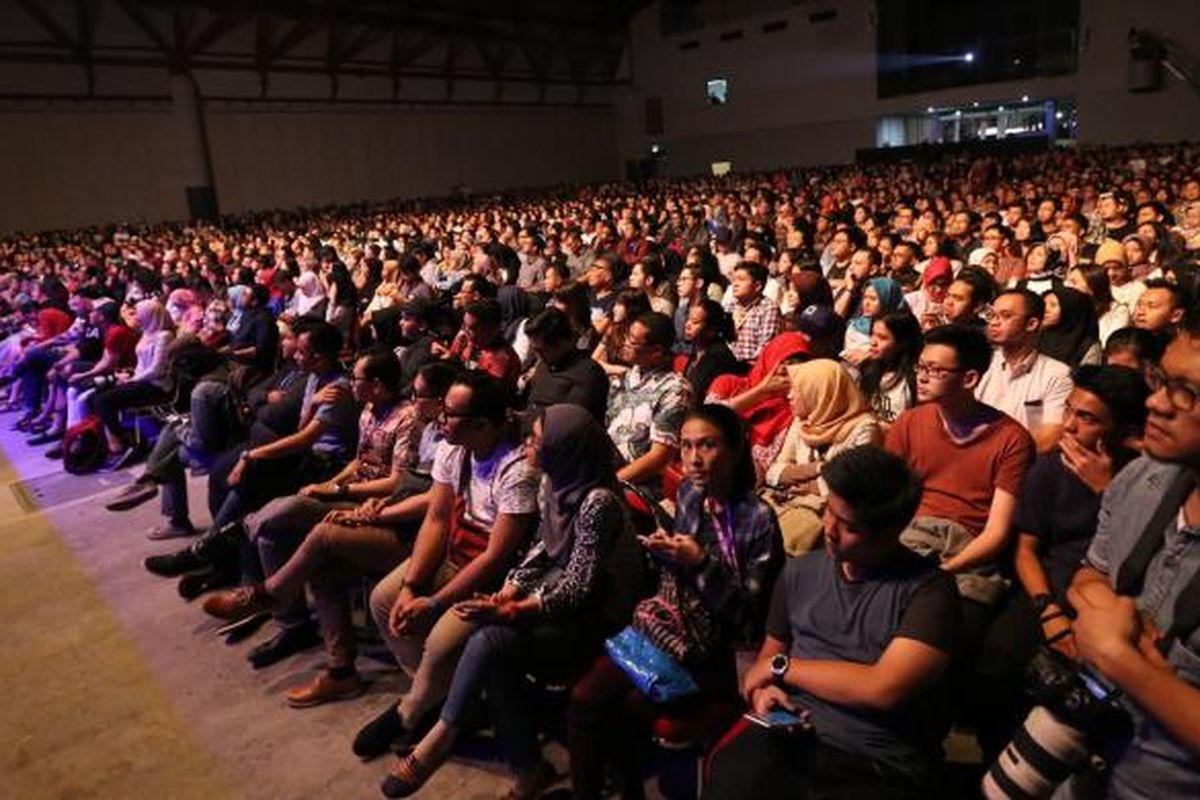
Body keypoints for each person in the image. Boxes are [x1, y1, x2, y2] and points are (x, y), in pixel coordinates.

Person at [380, 405, 639, 799]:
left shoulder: (596, 502)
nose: (528, 444)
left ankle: (442, 734)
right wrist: (512, 589)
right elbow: (540, 551)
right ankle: (524, 768)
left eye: (537, 439)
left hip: (603, 617)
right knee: (494, 652)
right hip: (561, 598)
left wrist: (517, 609)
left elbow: (578, 586)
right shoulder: (553, 481)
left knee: (491, 639)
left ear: (562, 447)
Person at [705, 445, 959, 799]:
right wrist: (764, 692)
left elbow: (882, 688)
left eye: (848, 525)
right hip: (792, 732)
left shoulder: (930, 592)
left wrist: (783, 669)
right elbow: (760, 669)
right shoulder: (800, 572)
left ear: (889, 532)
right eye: (828, 512)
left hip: (874, 758)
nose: (829, 529)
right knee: (730, 779)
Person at [569, 404, 782, 800]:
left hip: (717, 651)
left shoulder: (758, 519)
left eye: (708, 446)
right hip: (672, 628)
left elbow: (749, 619)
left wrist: (700, 563)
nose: (693, 459)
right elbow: (677, 580)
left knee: (625, 710)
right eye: (685, 447)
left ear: (735, 450)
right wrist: (663, 552)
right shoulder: (688, 494)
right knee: (583, 699)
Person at [353, 370, 540, 760]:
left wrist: (435, 603)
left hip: (492, 577)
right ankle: (438, 701)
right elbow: (437, 519)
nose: (440, 417)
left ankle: (416, 708)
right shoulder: (453, 448)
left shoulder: (517, 470)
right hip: (455, 556)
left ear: (482, 424)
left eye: (450, 412)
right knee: (385, 600)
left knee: (439, 640)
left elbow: (496, 556)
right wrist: (411, 586)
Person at [1064, 307, 1200, 798]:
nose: (1157, 404)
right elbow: (1088, 575)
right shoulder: (1143, 476)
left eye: (1187, 392)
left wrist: (1124, 662)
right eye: (1160, 381)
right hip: (1083, 759)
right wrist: (1111, 614)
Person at [886, 324, 1035, 644]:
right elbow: (887, 496)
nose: (922, 377)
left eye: (935, 370)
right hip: (911, 537)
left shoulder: (1012, 439)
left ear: (969, 378)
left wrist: (945, 570)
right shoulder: (910, 422)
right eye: (920, 367)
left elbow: (996, 533)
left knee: (941, 632)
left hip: (968, 550)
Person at [605, 311, 693, 498]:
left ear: (657, 351)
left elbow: (658, 458)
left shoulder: (675, 389)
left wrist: (610, 484)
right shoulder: (624, 378)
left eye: (634, 342)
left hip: (640, 483)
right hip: (608, 466)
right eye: (628, 337)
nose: (625, 345)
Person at [976, 288, 1074, 446]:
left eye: (1006, 316)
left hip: (1025, 462)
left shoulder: (1057, 374)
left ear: (1032, 324)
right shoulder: (981, 363)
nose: (994, 322)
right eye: (992, 315)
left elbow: (1051, 434)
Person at [523, 306, 609, 422]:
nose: (538, 356)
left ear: (563, 343)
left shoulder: (588, 375)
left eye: (541, 351)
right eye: (534, 350)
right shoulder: (545, 365)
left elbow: (569, 427)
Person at [857, 310, 923, 425]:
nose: (873, 342)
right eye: (872, 334)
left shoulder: (915, 379)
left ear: (902, 343)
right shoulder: (868, 368)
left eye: (882, 338)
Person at [681, 298, 741, 399]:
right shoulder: (699, 348)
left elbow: (696, 392)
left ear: (711, 330)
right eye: (688, 319)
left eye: (695, 322)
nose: (687, 325)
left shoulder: (718, 356)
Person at [727, 261, 782, 364]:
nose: (735, 284)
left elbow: (766, 346)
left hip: (753, 367)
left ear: (757, 286)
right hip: (727, 365)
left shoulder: (768, 308)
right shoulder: (729, 306)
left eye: (741, 280)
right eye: (734, 280)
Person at [1039, 285, 1102, 367]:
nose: (1045, 310)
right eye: (1043, 304)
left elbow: (1088, 377)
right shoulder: (1037, 336)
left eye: (1053, 305)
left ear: (1070, 310)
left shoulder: (1087, 346)